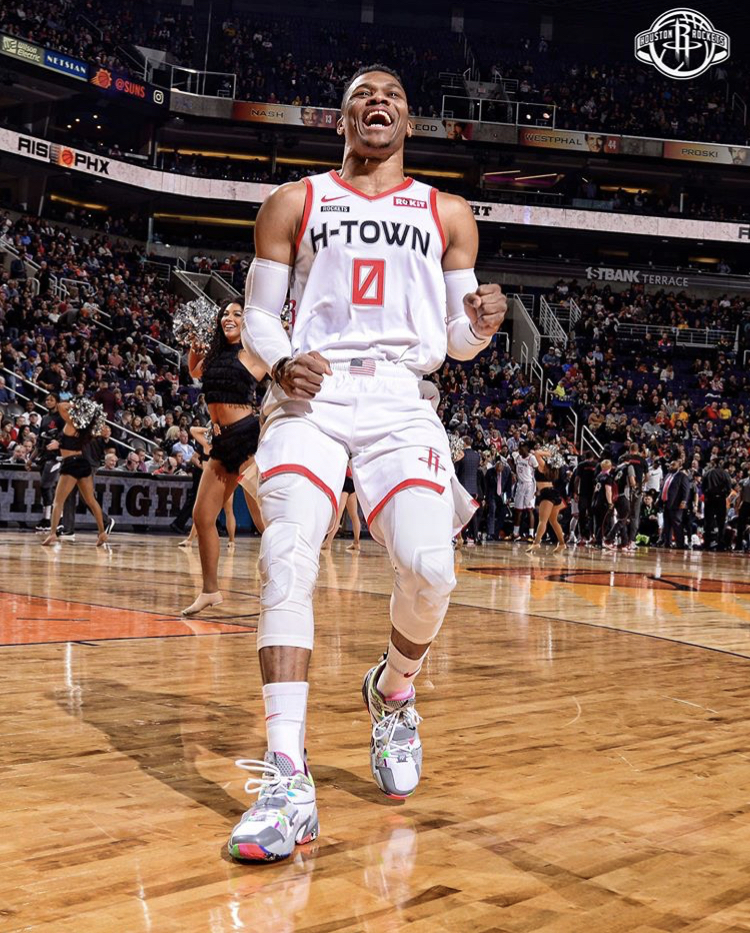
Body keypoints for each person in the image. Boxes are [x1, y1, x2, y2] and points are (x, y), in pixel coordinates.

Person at [231, 64, 506, 861]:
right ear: (341, 119)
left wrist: (481, 325)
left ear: (409, 123)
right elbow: (259, 315)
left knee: (431, 568)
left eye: (392, 97)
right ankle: (287, 778)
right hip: (311, 393)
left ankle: (392, 691)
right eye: (362, 95)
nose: (377, 102)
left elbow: (455, 338)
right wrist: (280, 362)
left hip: (399, 396)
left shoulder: (446, 212)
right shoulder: (295, 201)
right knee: (287, 554)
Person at [182, 299, 262, 616]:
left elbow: (280, 371)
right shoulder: (214, 356)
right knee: (202, 516)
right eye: (225, 314)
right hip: (221, 442)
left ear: (247, 321)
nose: (229, 318)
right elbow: (194, 369)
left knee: (265, 521)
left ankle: (285, 587)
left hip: (247, 440)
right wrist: (194, 344)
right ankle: (210, 591)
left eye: (237, 314)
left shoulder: (254, 353)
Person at [41, 401, 110, 547]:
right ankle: (102, 533)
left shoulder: (72, 422)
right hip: (83, 463)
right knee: (91, 501)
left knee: (58, 501)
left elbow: (60, 406)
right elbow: (70, 442)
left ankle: (52, 533)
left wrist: (75, 405)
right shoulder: (87, 428)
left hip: (70, 464)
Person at [526, 448, 567, 552]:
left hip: (547, 494)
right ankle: (562, 544)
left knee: (542, 521)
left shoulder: (544, 465)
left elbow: (537, 453)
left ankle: (536, 543)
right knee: (553, 521)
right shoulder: (550, 468)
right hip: (552, 493)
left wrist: (550, 453)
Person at [321, 465, 361, 550]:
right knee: (354, 515)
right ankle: (356, 543)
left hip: (345, 482)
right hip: (352, 481)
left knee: (338, 515)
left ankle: (328, 542)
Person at [702, 459, 733, 551]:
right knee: (721, 522)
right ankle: (720, 544)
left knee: (708, 522)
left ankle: (707, 543)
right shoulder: (725, 474)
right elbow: (729, 488)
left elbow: (703, 487)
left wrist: (707, 495)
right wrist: (723, 495)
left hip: (709, 499)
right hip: (720, 499)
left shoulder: (707, 473)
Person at [660, 460, 690, 549]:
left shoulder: (682, 476)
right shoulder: (668, 475)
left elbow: (686, 489)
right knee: (667, 524)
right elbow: (663, 488)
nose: (670, 466)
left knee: (677, 524)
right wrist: (659, 498)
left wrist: (684, 501)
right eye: (670, 465)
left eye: (673, 465)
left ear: (679, 466)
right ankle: (667, 543)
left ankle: (680, 544)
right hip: (666, 502)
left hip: (676, 504)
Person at [511, 442, 537, 540]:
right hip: (520, 484)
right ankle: (515, 533)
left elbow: (537, 471)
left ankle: (531, 534)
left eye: (521, 449)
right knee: (518, 510)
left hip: (530, 485)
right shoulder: (517, 457)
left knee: (530, 510)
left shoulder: (532, 458)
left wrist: (537, 488)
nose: (519, 450)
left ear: (526, 448)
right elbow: (512, 462)